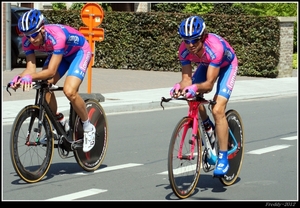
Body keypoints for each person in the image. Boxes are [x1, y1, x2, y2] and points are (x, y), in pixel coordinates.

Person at [9, 9, 95, 153]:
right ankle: (60, 122)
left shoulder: (57, 36)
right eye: (27, 35)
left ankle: (88, 127)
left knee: (70, 91)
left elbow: (50, 72)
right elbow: (31, 69)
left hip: (79, 52)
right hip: (61, 55)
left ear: (42, 29)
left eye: (34, 34)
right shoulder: (27, 41)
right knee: (45, 85)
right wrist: (18, 78)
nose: (31, 39)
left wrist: (31, 77)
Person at [170, 16, 238, 176]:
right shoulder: (184, 49)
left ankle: (223, 157)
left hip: (227, 66)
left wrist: (195, 87)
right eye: (186, 41)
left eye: (194, 40)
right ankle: (207, 125)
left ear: (203, 36)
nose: (191, 45)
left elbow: (208, 84)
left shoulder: (214, 47)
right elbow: (186, 79)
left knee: (217, 110)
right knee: (190, 96)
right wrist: (179, 87)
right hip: (207, 65)